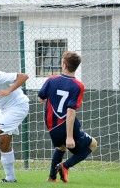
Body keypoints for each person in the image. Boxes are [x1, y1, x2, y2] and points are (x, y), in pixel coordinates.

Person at [38, 51, 97, 183]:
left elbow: (40, 98)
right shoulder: (78, 86)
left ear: (64, 65)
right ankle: (65, 166)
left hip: (51, 126)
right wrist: (69, 136)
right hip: (67, 126)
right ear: (76, 67)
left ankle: (52, 177)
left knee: (61, 147)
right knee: (93, 144)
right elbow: (70, 111)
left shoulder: (52, 79)